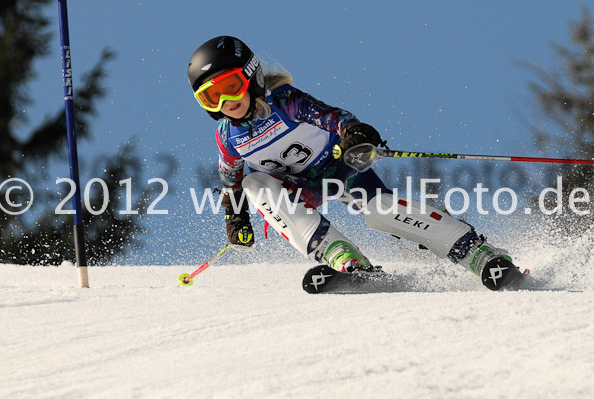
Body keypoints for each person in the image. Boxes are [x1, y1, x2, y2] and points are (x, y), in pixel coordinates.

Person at [187, 35, 524, 291]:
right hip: (299, 189)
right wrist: (236, 215)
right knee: (253, 184)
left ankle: (477, 253)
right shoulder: (227, 136)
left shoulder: (284, 102)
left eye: (231, 86)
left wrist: (355, 133)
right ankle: (341, 256)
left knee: (380, 212)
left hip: (340, 167)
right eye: (211, 96)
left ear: (251, 76)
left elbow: (335, 117)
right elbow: (230, 179)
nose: (226, 101)